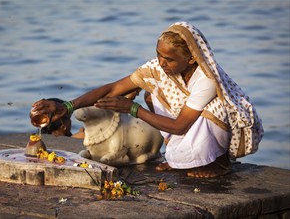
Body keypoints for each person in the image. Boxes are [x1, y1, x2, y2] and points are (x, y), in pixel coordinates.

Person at [31, 22, 263, 178]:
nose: (161, 63)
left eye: (169, 59)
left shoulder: (206, 79)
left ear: (191, 59)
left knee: (212, 108)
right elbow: (113, 87)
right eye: (158, 55)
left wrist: (133, 109)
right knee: (153, 90)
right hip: (182, 123)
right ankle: (180, 158)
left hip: (216, 125)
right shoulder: (158, 68)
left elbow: (180, 126)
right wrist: (67, 106)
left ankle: (218, 162)